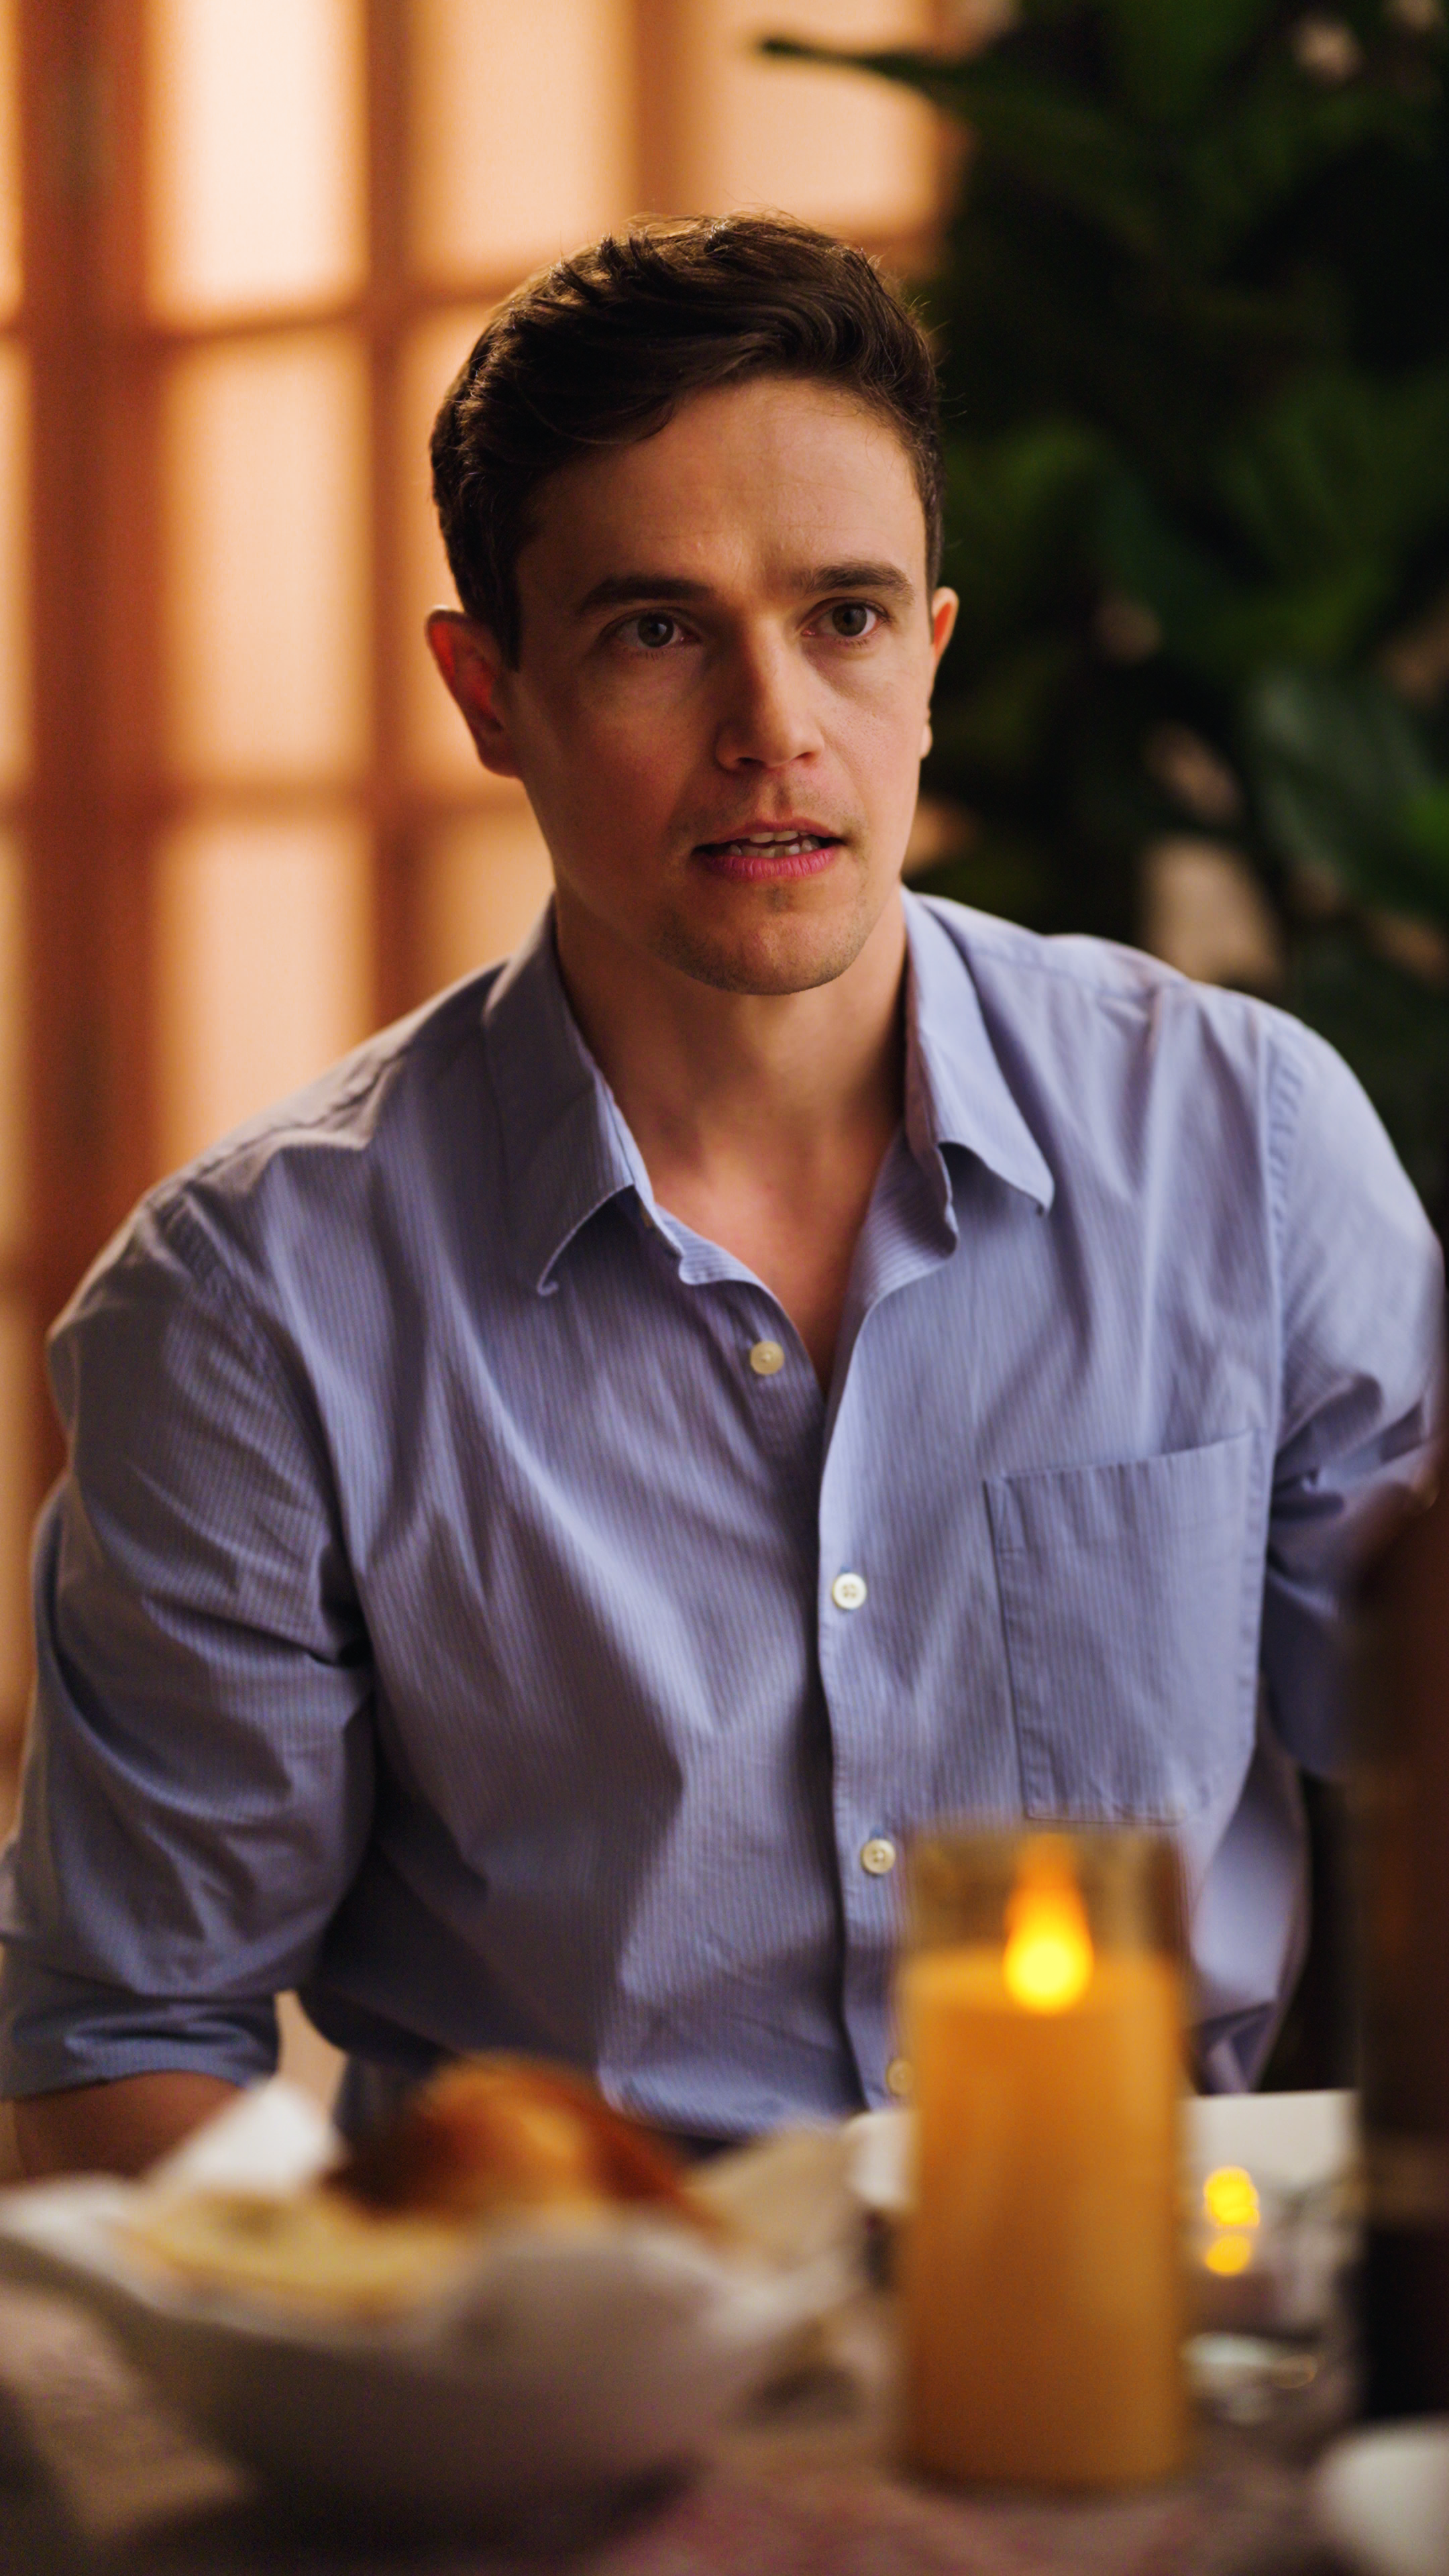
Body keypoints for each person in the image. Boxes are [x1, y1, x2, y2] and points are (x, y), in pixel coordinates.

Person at [1, 217, 1440, 2179]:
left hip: (1154, 2319)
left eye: (843, 616)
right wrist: (421, 2326)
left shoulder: (1245, 1141)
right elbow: (121, 2033)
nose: (776, 729)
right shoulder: (253, 1305)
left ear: (930, 655)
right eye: (656, 631)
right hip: (567, 2376)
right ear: (488, 691)